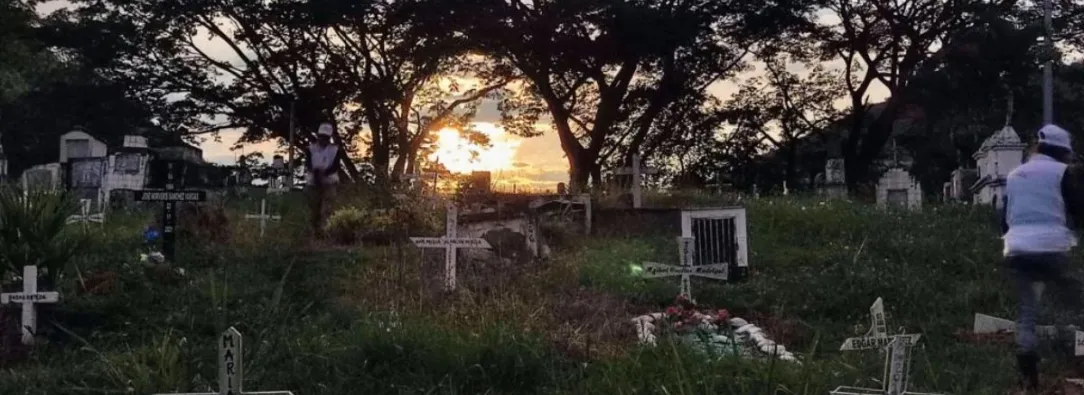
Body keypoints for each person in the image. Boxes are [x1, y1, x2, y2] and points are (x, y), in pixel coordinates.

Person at [1002, 124, 1084, 390]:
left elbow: (1004, 218)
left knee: (1028, 309)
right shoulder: (1061, 172)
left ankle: (1028, 368)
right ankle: (1074, 352)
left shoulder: (1014, 175)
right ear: (1062, 152)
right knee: (1074, 298)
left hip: (1017, 249)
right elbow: (1077, 210)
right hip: (1051, 247)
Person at [306, 122, 342, 237]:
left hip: (329, 182)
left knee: (327, 209)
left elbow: (335, 166)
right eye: (321, 136)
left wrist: (324, 173)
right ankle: (313, 232)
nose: (323, 139)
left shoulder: (335, 150)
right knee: (314, 209)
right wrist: (316, 174)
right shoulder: (311, 149)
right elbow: (309, 164)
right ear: (318, 136)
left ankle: (325, 232)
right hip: (313, 182)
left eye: (326, 137)